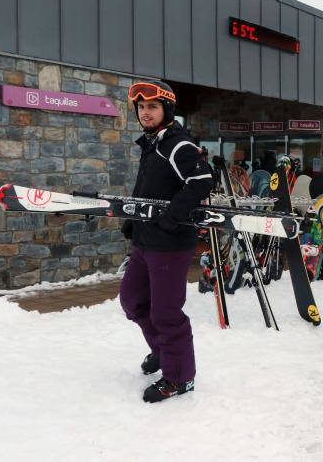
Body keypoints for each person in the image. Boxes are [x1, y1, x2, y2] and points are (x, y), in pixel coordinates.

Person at [120, 81, 214, 403]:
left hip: (170, 244)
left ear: (166, 110)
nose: (145, 113)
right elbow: (149, 190)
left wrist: (171, 217)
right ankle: (163, 351)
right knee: (132, 300)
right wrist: (134, 223)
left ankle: (179, 377)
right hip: (146, 241)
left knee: (166, 313)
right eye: (141, 107)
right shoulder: (152, 143)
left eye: (152, 107)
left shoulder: (178, 143)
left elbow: (201, 181)